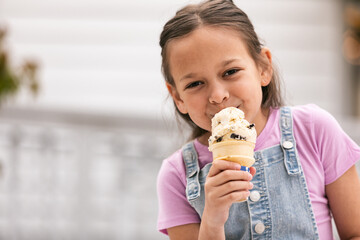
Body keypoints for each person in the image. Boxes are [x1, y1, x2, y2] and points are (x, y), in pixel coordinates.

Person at [156, 0, 360, 239]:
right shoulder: (176, 175)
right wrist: (212, 221)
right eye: (195, 84)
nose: (218, 95)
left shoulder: (314, 129)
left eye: (230, 72)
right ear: (177, 97)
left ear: (263, 67)